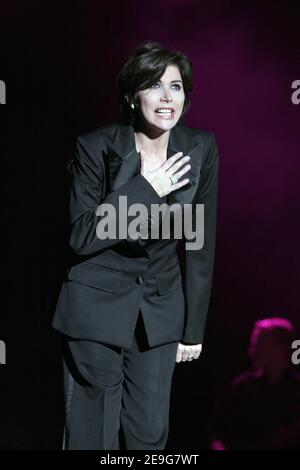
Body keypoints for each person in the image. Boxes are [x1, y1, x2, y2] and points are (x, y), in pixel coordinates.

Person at [52, 41, 219, 450]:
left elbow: (200, 241)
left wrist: (192, 328)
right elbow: (83, 234)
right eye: (153, 85)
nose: (167, 98)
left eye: (176, 87)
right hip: (96, 307)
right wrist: (146, 189)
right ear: (131, 97)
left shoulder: (200, 148)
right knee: (93, 435)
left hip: (160, 311)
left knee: (149, 436)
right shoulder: (96, 146)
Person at [210, 317, 300, 450]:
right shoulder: (241, 388)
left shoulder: (297, 390)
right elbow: (215, 432)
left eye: (259, 344)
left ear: (280, 347)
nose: (251, 351)